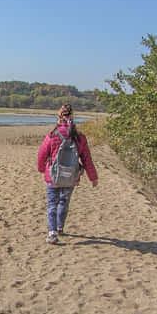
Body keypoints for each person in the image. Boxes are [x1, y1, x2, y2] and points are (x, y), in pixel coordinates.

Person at [37, 103, 98, 244]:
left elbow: (42, 154)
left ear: (59, 117)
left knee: (52, 203)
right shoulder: (80, 137)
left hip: (53, 176)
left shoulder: (52, 135)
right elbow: (87, 158)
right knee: (64, 201)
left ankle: (52, 233)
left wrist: (41, 168)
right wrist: (93, 177)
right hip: (71, 177)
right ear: (72, 118)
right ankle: (60, 227)